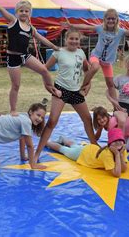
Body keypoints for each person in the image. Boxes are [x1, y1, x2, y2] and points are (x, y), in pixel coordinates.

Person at [0, 0, 61, 116]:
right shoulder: (13, 21)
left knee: (44, 70)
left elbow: (42, 39)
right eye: (21, 11)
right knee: (16, 85)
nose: (23, 13)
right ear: (16, 13)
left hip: (25, 56)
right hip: (13, 58)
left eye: (26, 11)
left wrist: (54, 47)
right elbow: (0, 9)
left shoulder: (31, 28)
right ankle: (13, 109)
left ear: (30, 13)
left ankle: (51, 89)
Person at [31, 27, 97, 165]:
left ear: (79, 41)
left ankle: (95, 148)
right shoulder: (59, 52)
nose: (73, 41)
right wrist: (49, 86)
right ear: (66, 39)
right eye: (71, 38)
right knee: (52, 121)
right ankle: (37, 153)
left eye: (76, 39)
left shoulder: (81, 53)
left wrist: (87, 85)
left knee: (87, 119)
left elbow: (87, 70)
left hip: (76, 91)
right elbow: (44, 69)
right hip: (61, 90)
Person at [61, 9, 129, 97]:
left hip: (107, 62)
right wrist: (71, 26)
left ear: (117, 20)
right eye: (108, 19)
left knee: (110, 84)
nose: (111, 21)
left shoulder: (120, 31)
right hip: (96, 56)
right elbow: (86, 26)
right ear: (104, 19)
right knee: (95, 67)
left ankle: (116, 107)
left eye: (113, 19)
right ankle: (82, 88)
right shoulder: (100, 28)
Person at [46, 128, 128, 177]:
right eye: (115, 141)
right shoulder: (107, 154)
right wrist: (117, 155)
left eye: (120, 140)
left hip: (90, 149)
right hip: (83, 154)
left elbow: (124, 169)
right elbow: (117, 174)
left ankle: (63, 139)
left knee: (75, 146)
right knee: (63, 150)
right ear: (110, 144)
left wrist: (120, 154)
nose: (118, 143)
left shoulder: (121, 150)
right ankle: (46, 142)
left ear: (123, 142)